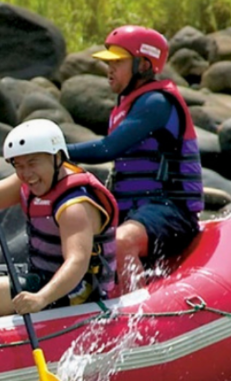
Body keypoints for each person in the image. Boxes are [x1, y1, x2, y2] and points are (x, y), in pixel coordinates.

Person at [0, 120, 119, 322]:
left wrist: (40, 298)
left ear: (57, 158)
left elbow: (77, 262)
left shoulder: (74, 206)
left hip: (79, 289)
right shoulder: (29, 182)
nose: (26, 174)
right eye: (18, 165)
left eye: (32, 163)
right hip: (41, 273)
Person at [79, 26, 201, 291]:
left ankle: (135, 316)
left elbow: (106, 149)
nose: (109, 69)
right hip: (134, 212)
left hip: (171, 211)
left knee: (121, 242)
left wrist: (54, 151)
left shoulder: (156, 103)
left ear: (144, 64)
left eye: (118, 62)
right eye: (107, 62)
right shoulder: (126, 105)